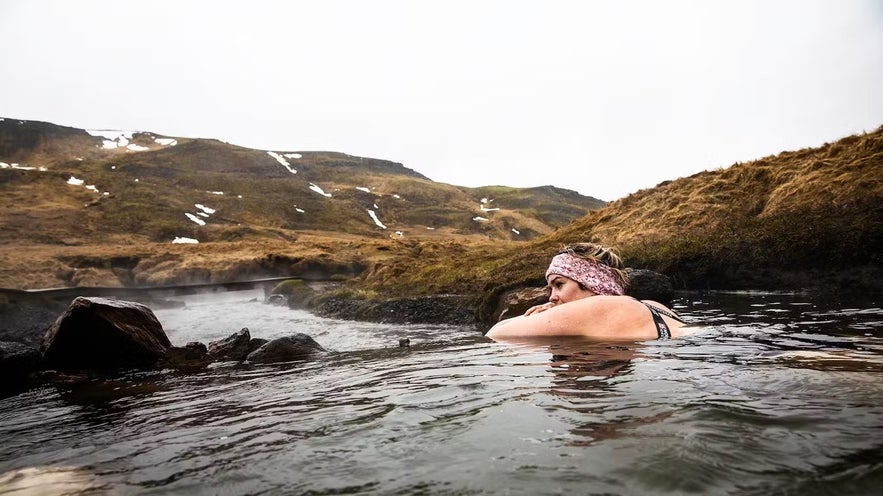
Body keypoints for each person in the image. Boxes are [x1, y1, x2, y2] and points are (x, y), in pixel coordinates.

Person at [485, 242, 688, 340]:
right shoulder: (653, 306)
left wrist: (546, 314)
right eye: (550, 289)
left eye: (559, 284)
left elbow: (497, 334)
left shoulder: (596, 306)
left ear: (591, 282)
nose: (552, 297)